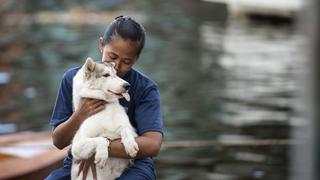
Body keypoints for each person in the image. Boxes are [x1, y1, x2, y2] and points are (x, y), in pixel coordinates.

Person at [45, 15, 164, 180]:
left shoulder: (145, 88)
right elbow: (58, 141)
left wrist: (102, 146)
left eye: (127, 61)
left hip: (131, 164)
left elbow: (152, 145)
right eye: (112, 57)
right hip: (82, 160)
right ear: (102, 45)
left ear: (136, 59)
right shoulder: (74, 79)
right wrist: (80, 115)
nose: (117, 66)